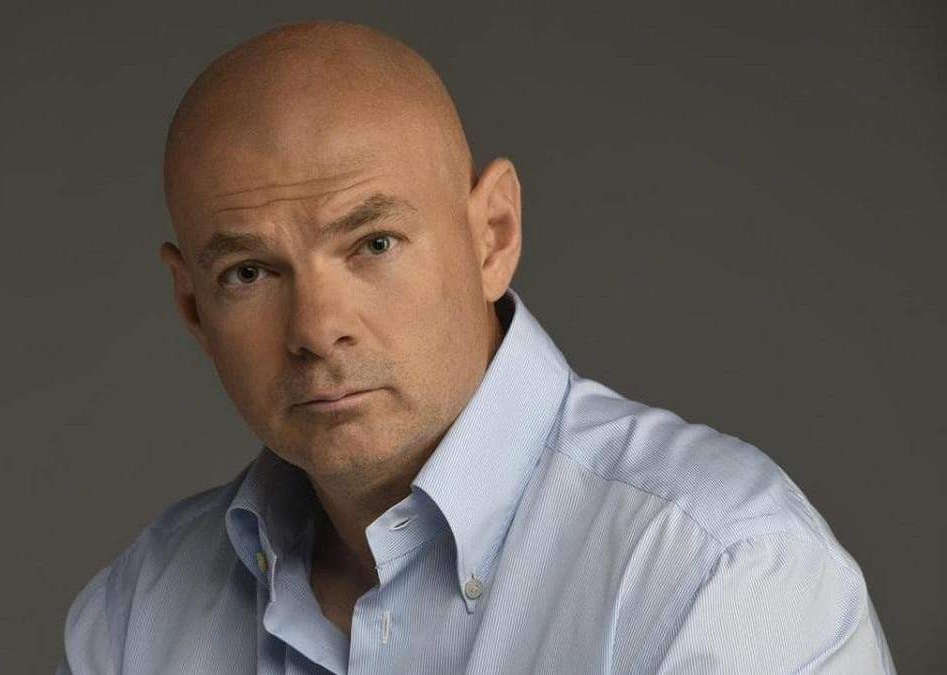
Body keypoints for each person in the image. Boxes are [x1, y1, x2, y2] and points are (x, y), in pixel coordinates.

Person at [56, 20, 895, 674]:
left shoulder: (719, 570)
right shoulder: (137, 615)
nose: (315, 329)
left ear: (493, 234)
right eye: (248, 272)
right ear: (192, 307)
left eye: (374, 243)